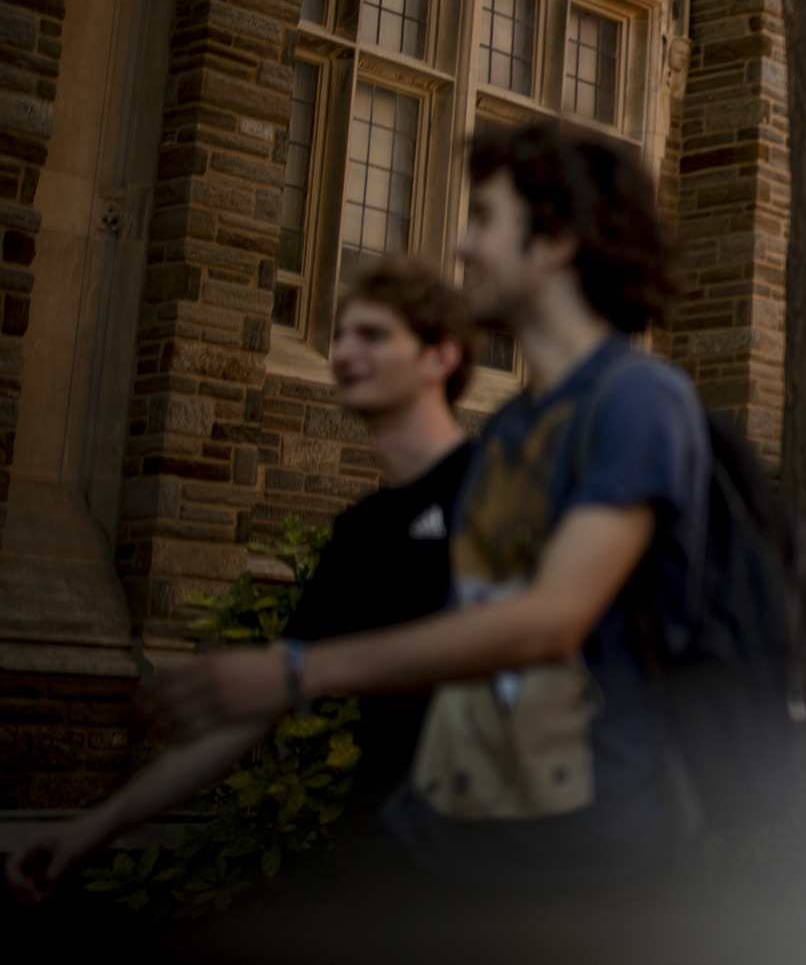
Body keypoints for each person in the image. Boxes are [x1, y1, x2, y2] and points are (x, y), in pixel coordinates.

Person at [144, 121, 708, 893]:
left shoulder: (641, 398)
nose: (462, 245)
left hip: (593, 872)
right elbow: (467, 630)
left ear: (556, 243)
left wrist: (302, 671)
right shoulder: (509, 428)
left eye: (483, 219)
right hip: (463, 855)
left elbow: (550, 620)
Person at [6, 257, 476, 902]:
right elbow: (255, 712)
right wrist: (95, 826)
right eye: (340, 334)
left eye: (372, 335)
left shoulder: (497, 489)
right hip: (387, 860)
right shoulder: (361, 532)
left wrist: (307, 672)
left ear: (439, 357)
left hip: (503, 868)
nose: (342, 351)